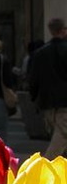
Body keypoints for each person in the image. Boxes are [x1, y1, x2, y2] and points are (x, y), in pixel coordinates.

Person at [29, 17, 67, 159]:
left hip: (48, 102)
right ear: (63, 30)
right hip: (64, 103)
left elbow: (34, 79)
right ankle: (46, 166)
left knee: (59, 137)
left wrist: (35, 98)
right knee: (61, 138)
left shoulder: (40, 54)